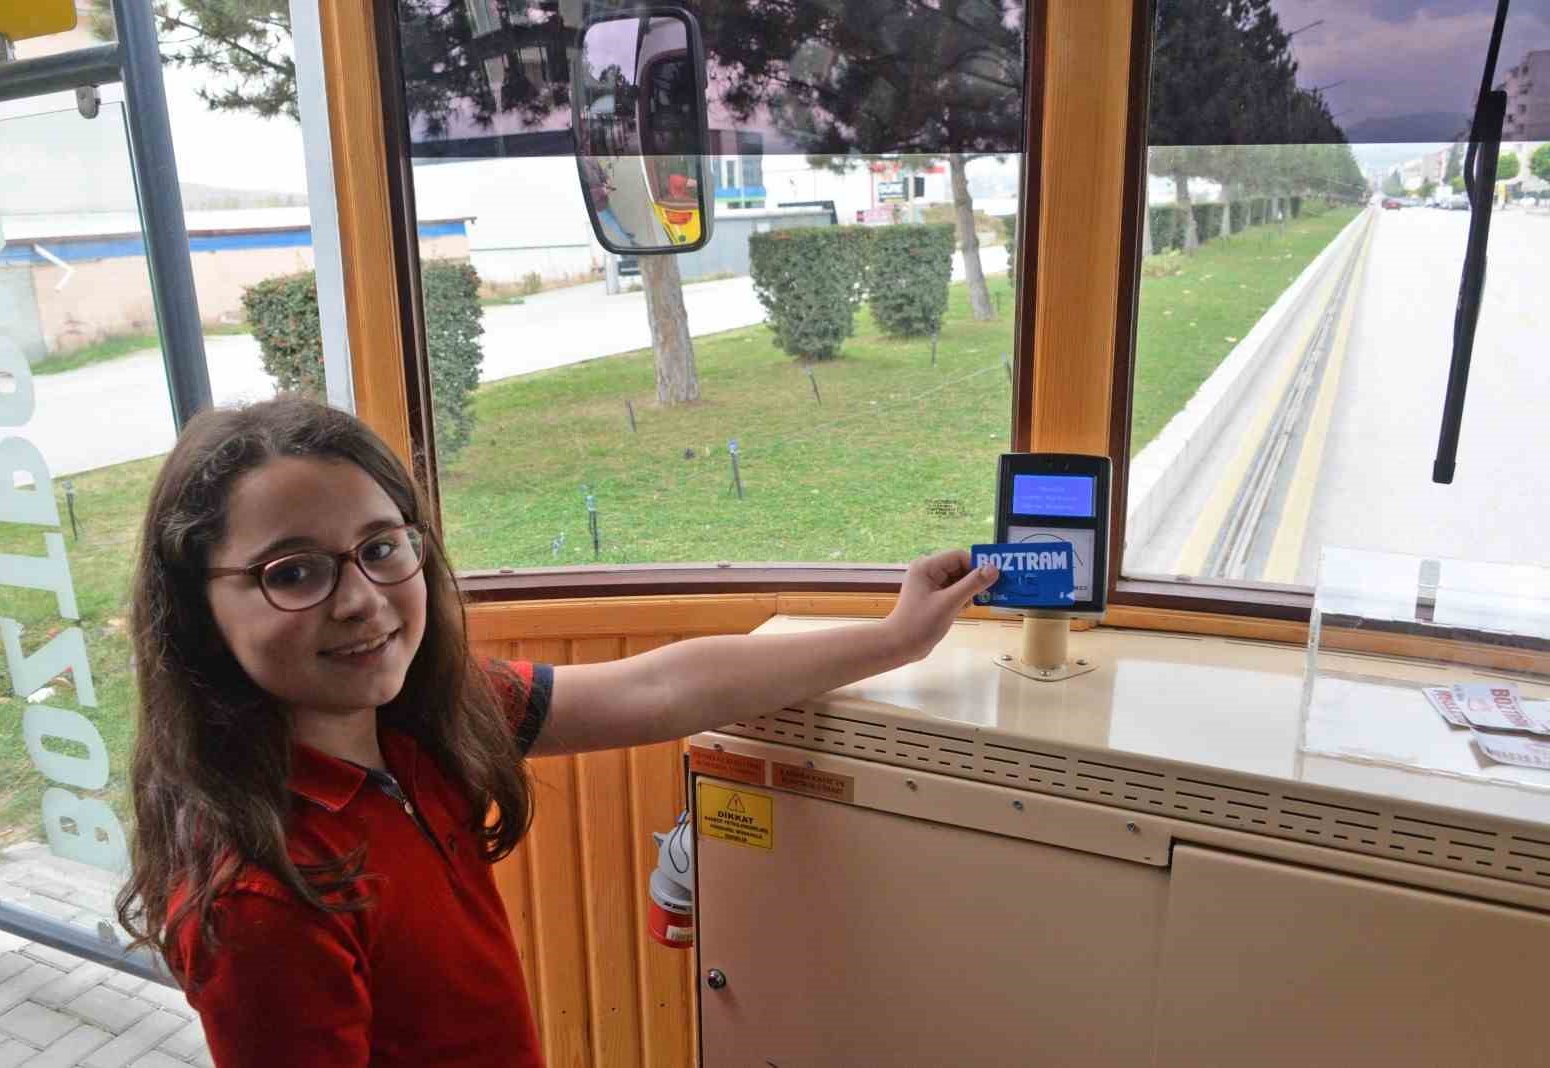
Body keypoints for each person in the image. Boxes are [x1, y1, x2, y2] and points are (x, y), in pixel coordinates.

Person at [115, 395, 998, 1067]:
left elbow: (657, 687)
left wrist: (895, 638)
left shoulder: (425, 721)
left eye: (383, 547)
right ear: (198, 612)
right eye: (293, 571)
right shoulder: (260, 904)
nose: (361, 600)